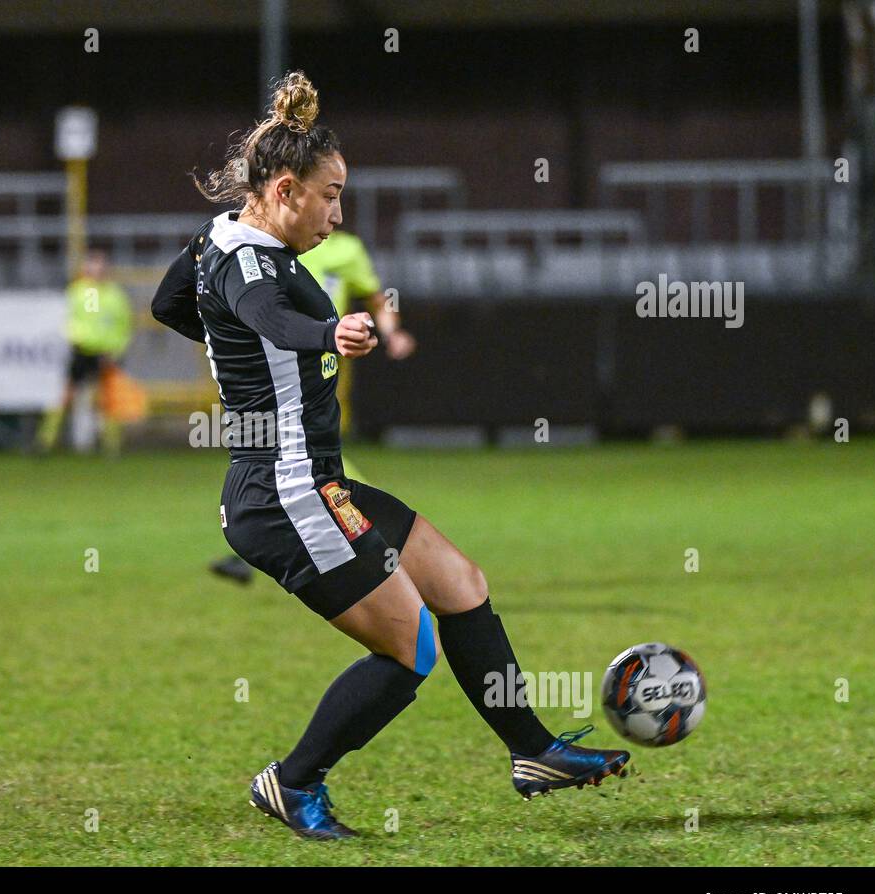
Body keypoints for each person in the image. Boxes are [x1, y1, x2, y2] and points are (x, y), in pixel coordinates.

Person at [151, 71, 628, 840]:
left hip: (315, 481)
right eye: (330, 194)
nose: (338, 214)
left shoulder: (222, 239)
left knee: (460, 583)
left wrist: (238, 352)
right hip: (284, 493)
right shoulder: (249, 263)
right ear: (282, 189)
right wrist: (322, 335)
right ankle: (292, 782)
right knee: (411, 651)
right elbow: (265, 313)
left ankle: (533, 751)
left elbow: (170, 304)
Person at [209, 229, 415, 584]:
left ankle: (375, 531)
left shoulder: (348, 250)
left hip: (320, 361)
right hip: (274, 367)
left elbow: (376, 298)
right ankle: (369, 532)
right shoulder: (274, 249)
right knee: (283, 453)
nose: (330, 212)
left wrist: (392, 332)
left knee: (305, 454)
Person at [36, 249, 134, 455]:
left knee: (107, 399)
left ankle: (112, 446)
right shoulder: (83, 291)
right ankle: (45, 441)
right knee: (66, 395)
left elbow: (124, 326)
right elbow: (82, 320)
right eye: (93, 264)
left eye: (100, 264)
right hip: (83, 350)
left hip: (106, 352)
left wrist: (115, 350)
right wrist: (81, 340)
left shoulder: (115, 295)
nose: (97, 269)